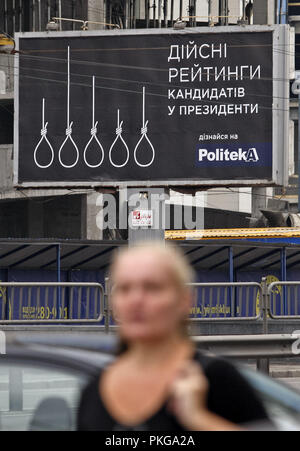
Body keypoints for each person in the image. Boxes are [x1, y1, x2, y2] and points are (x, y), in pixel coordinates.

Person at [77, 241, 269, 431]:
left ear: (184, 300)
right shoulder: (95, 390)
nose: (136, 300)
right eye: (124, 289)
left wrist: (199, 419)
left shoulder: (216, 379)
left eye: (152, 287)